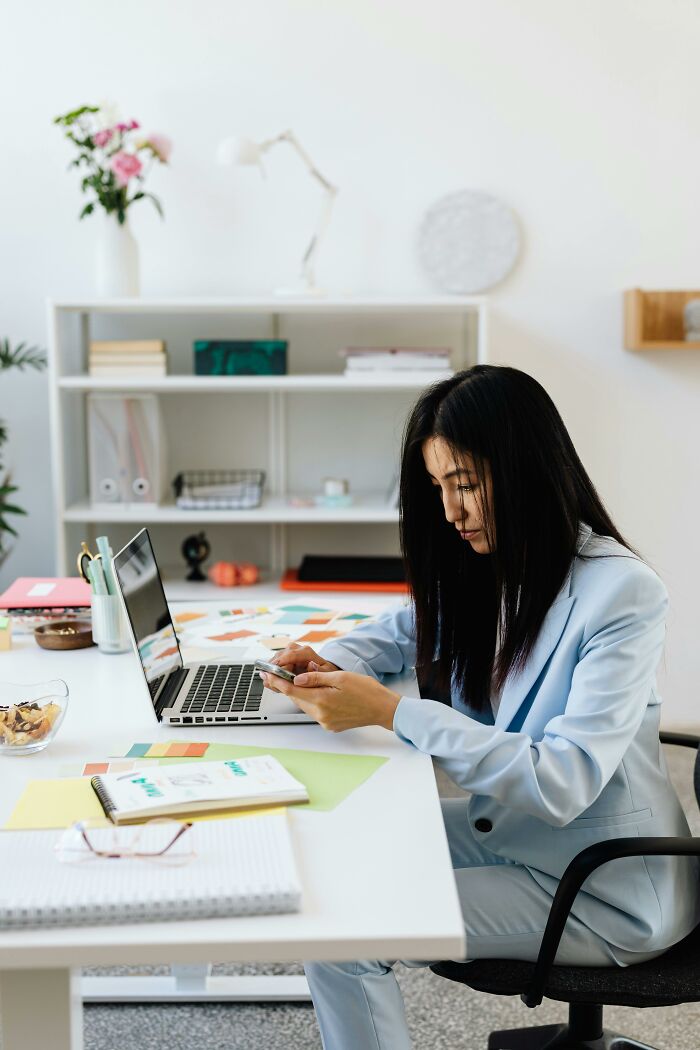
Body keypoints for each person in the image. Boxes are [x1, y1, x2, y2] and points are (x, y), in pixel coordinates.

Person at [258, 365, 699, 1050]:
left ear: (524, 468)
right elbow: (411, 630)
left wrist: (391, 713)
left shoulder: (622, 593)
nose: (451, 512)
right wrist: (331, 659)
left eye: (464, 485)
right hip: (523, 833)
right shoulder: (505, 561)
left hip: (603, 882)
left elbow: (564, 779)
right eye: (439, 489)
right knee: (347, 841)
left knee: (345, 929)